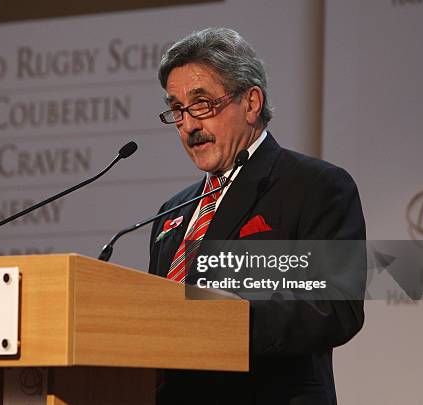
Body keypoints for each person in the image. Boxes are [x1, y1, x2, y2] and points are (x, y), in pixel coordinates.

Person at [148, 28, 366, 405]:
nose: (188, 125)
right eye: (178, 109)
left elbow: (335, 307)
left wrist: (216, 323)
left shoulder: (315, 185)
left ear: (251, 103)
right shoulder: (173, 211)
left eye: (202, 104)